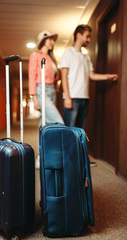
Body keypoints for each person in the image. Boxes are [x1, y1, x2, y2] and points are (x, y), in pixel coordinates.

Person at [60, 24, 118, 167]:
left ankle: (81, 160)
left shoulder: (86, 57)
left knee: (80, 131)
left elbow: (91, 75)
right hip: (72, 97)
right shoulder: (67, 54)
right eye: (87, 36)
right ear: (78, 35)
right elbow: (64, 76)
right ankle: (68, 162)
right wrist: (67, 97)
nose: (89, 39)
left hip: (84, 98)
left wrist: (108, 76)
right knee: (70, 131)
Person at [29, 30, 64, 168]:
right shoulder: (35, 55)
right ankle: (58, 155)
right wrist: (34, 98)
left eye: (53, 40)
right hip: (40, 90)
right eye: (49, 39)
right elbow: (32, 76)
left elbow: (55, 78)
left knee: (43, 124)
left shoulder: (51, 58)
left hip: (51, 91)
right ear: (43, 41)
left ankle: (40, 156)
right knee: (58, 122)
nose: (52, 42)